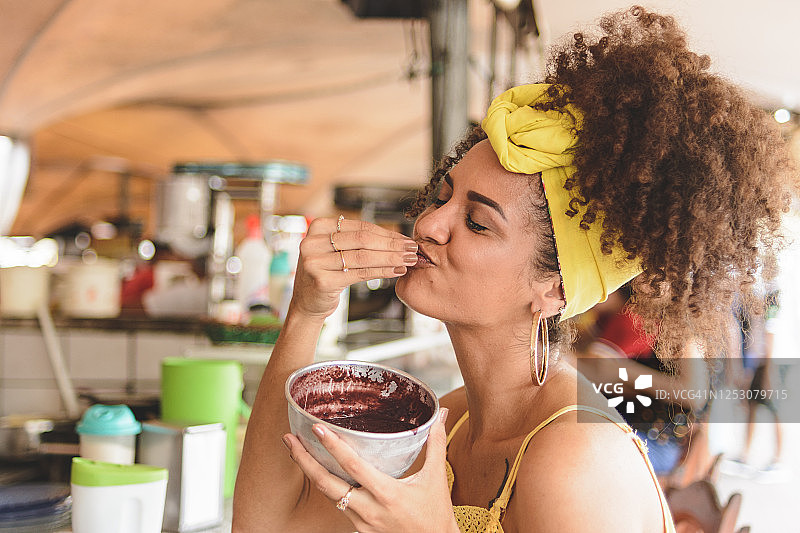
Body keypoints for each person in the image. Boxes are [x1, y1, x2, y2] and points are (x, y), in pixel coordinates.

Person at [233, 6, 794, 533]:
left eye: (477, 223)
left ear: (551, 289)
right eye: (443, 195)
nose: (429, 224)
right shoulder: (445, 425)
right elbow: (267, 524)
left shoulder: (577, 458)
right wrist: (306, 313)